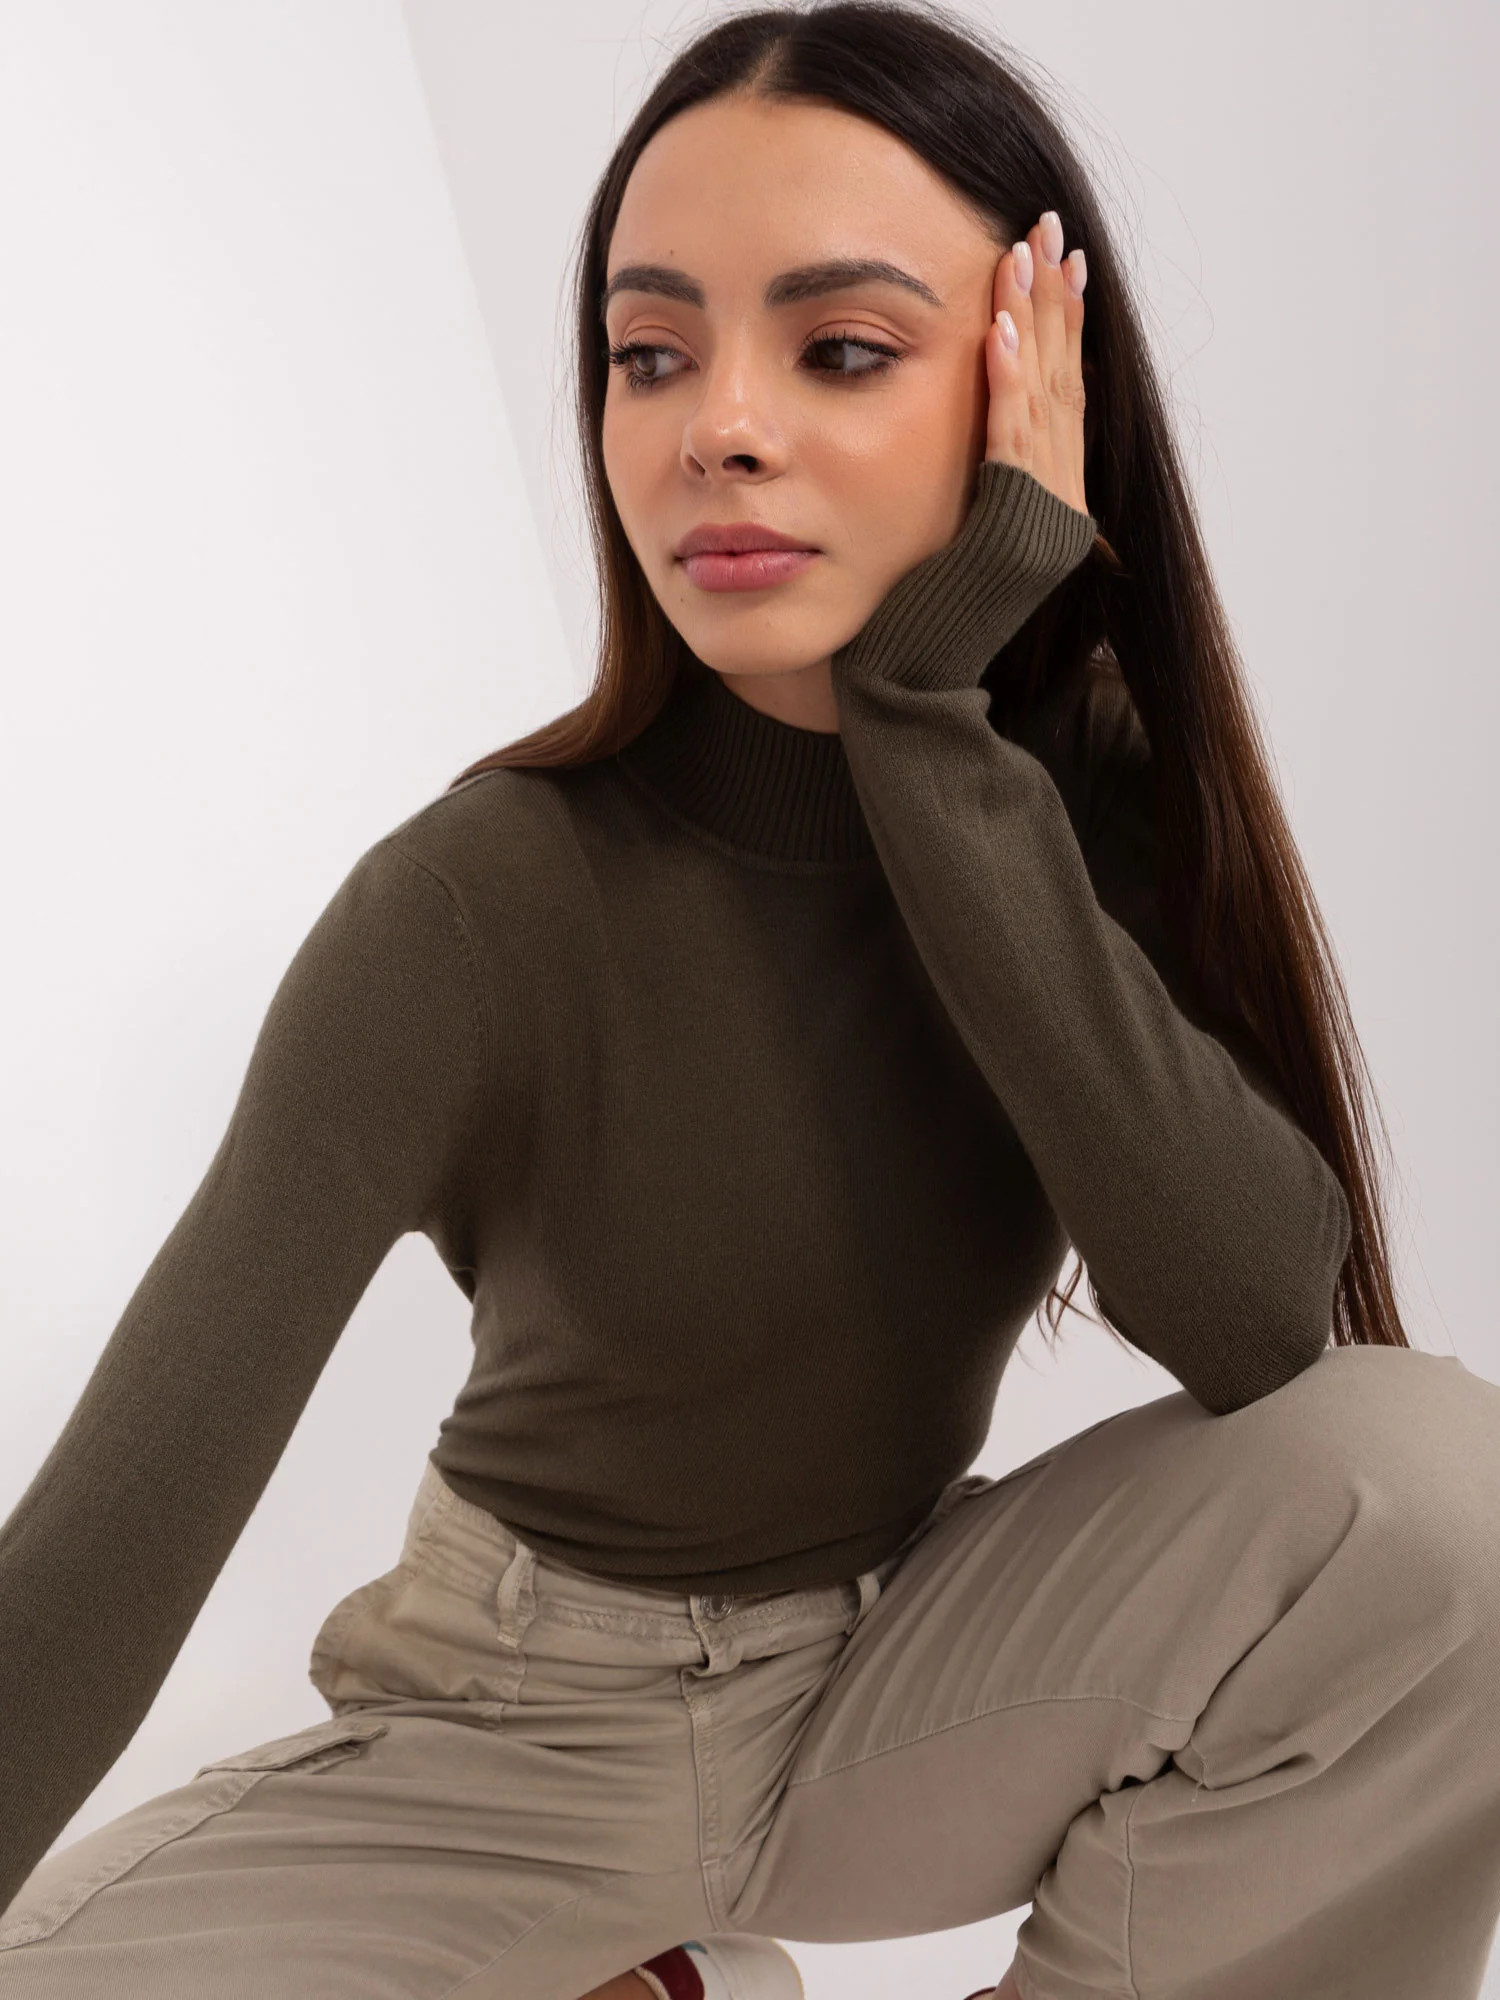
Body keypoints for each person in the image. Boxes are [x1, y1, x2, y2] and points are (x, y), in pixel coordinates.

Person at [2, 4, 1497, 1998]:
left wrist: (926, 725)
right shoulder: (471, 906)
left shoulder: (1071, 798)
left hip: (903, 1680)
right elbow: (117, 1539)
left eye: (841, 348)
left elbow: (1251, 1313)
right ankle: (656, 1969)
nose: (716, 424)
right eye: (650, 353)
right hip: (517, 1734)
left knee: (1438, 1500)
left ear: (1030, 390)